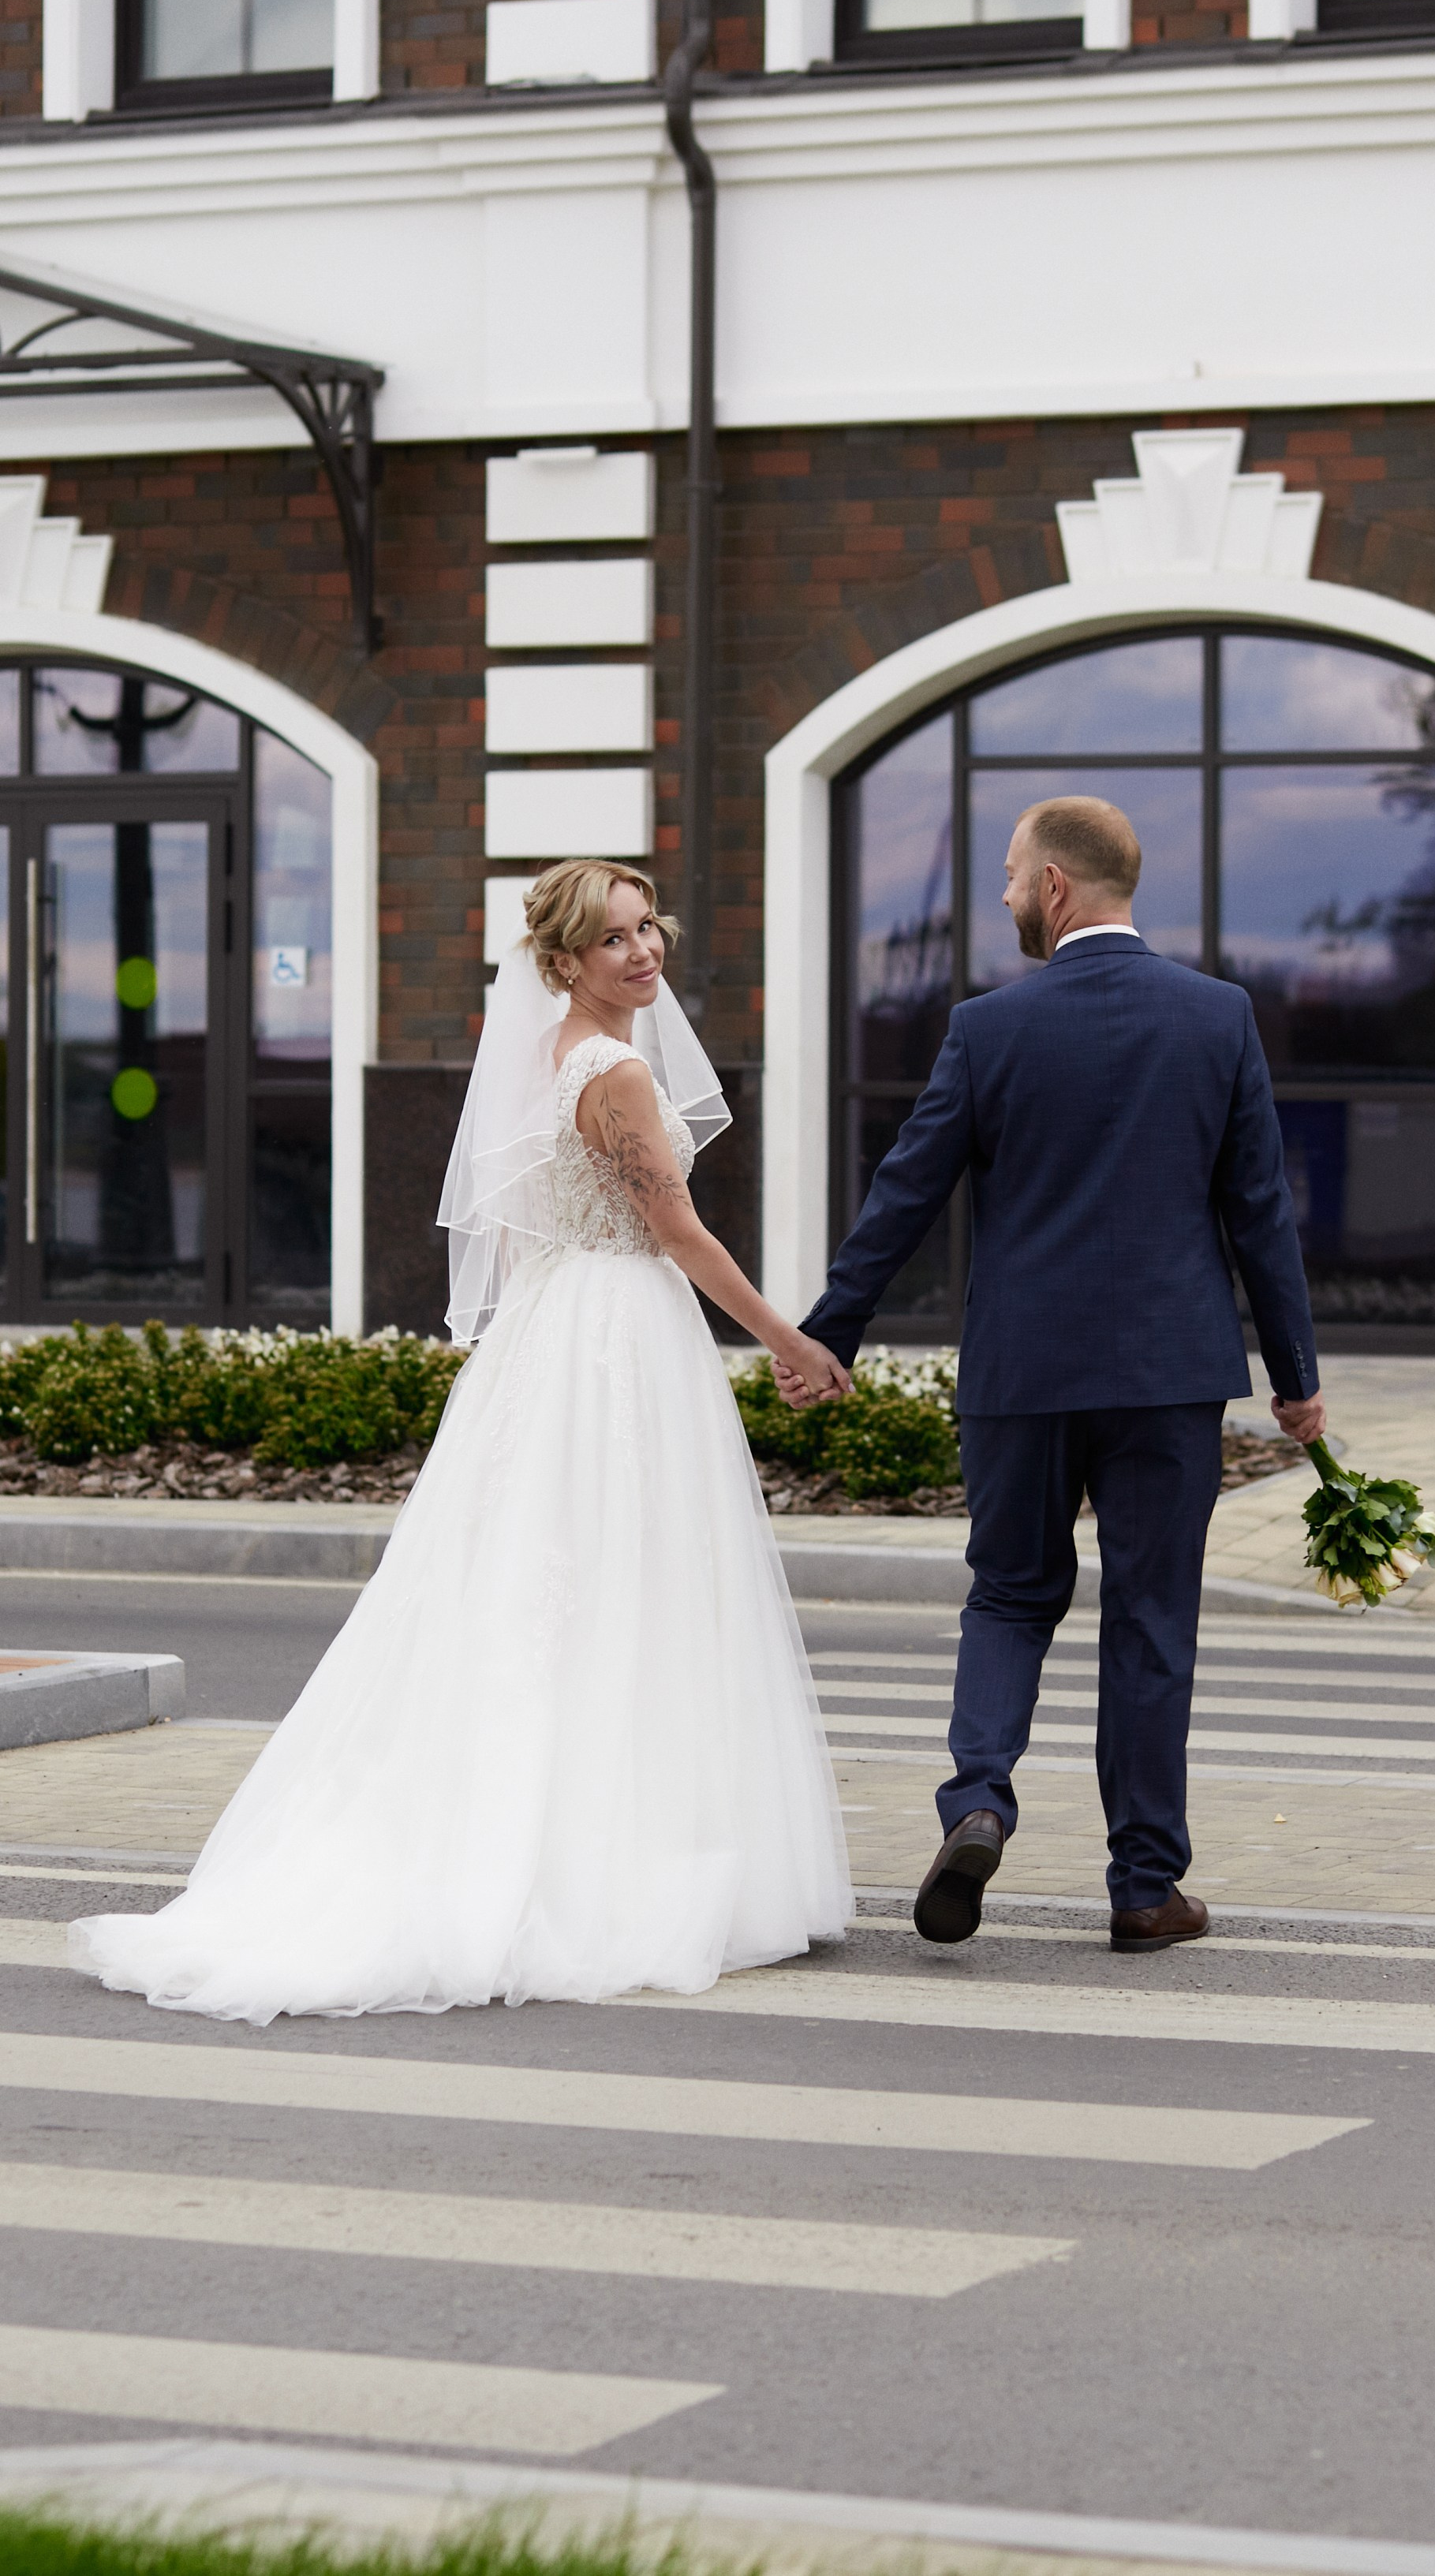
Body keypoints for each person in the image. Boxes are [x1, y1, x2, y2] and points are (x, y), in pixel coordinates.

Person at [70, 860, 854, 2023]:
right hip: (614, 1338)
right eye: (612, 942)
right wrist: (792, 1341)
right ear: (562, 965)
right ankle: (594, 1858)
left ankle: (553, 1828)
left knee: (539, 1591)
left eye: (648, 931)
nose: (643, 956)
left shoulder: (551, 1060)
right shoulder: (618, 1069)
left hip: (555, 1338)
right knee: (623, 1587)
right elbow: (676, 1231)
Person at [779, 797, 1324, 1955]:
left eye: (1013, 876)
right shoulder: (1218, 1016)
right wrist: (1294, 1379)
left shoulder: (988, 1027)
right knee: (1147, 1622)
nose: (1007, 896)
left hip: (1020, 1370)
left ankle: (977, 1800)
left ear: (1058, 889)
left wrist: (831, 1334)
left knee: (1011, 1593)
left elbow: (904, 1194)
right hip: (1167, 1373)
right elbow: (1259, 1216)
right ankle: (1142, 1889)